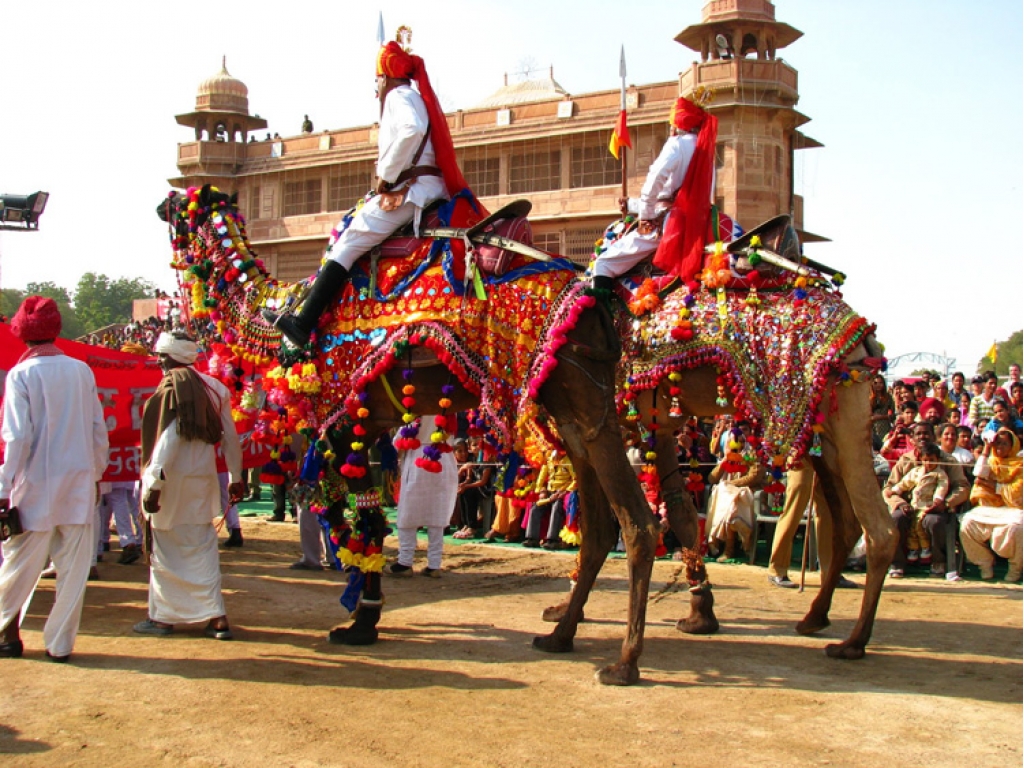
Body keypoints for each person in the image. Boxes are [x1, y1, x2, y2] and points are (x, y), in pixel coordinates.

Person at [263, 37, 471, 346]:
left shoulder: (399, 96)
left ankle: (304, 323)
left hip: (410, 191)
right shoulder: (415, 96)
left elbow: (411, 131)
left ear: (385, 76)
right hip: (427, 188)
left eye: (377, 80)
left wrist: (385, 176)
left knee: (348, 241)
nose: (376, 87)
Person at [0, 296, 109, 661]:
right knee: (73, 571)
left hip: (35, 484)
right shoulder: (81, 371)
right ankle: (60, 646)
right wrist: (95, 476)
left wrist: (3, 488)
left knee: (17, 565)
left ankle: (7, 635)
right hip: (78, 483)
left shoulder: (22, 374)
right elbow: (99, 430)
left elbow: (16, 438)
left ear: (22, 333)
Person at [133, 332, 243, 640]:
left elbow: (169, 437)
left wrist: (153, 481)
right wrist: (235, 477)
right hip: (202, 480)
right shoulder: (216, 388)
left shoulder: (171, 385)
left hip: (170, 481)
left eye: (161, 357)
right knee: (202, 547)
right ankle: (216, 617)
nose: (158, 362)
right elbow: (230, 437)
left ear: (169, 359)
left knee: (166, 551)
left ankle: (163, 619)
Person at [592, 96, 717, 291]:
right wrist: (633, 205)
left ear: (678, 123)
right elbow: (683, 193)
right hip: (700, 222)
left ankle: (601, 320)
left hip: (670, 223)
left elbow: (655, 180)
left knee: (603, 263)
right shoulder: (706, 151)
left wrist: (646, 217)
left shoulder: (677, 144)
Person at [883, 422, 969, 579]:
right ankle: (897, 564)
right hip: (908, 506)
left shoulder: (947, 460)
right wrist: (900, 503)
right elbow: (890, 488)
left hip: (936, 508)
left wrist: (945, 503)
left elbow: (962, 487)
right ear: (912, 439)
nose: (923, 437)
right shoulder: (905, 460)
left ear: (934, 437)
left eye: (926, 433)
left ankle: (938, 563)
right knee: (896, 519)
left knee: (933, 521)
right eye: (918, 434)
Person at [385, 417, 456, 578]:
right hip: (443, 458)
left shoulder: (419, 403)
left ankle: (405, 561)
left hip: (420, 458)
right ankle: (434, 564)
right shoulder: (450, 402)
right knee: (437, 515)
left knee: (407, 514)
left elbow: (401, 440)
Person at [960, 428, 1022, 582]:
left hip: (1013, 510)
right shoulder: (991, 461)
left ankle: (1015, 568)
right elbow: (978, 474)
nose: (1000, 447)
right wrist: (987, 448)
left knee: (1015, 528)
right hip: (988, 508)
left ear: (1012, 445)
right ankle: (984, 564)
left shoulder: (1020, 465)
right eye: (997, 443)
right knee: (967, 523)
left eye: (1005, 443)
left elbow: (1017, 492)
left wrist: (993, 486)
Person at [705, 422, 764, 562]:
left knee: (731, 499)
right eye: (735, 440)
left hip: (747, 491)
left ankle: (729, 549)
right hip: (726, 493)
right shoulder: (728, 457)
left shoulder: (753, 454)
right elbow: (711, 478)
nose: (739, 443)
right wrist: (724, 462)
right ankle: (726, 546)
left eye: (742, 440)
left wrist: (731, 484)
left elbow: (754, 477)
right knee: (723, 494)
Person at [883, 442, 948, 566]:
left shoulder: (940, 474)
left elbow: (942, 487)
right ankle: (911, 552)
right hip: (914, 505)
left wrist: (938, 500)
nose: (928, 463)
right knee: (909, 526)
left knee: (920, 526)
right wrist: (895, 491)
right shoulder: (916, 471)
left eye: (932, 460)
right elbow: (905, 483)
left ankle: (926, 550)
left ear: (938, 460)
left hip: (927, 505)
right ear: (921, 460)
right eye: (926, 460)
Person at [868, 374, 895, 445]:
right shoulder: (868, 397)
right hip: (871, 427)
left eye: (880, 383)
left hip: (885, 426)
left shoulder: (888, 397)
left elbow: (892, 414)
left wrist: (882, 417)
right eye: (875, 383)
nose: (878, 385)